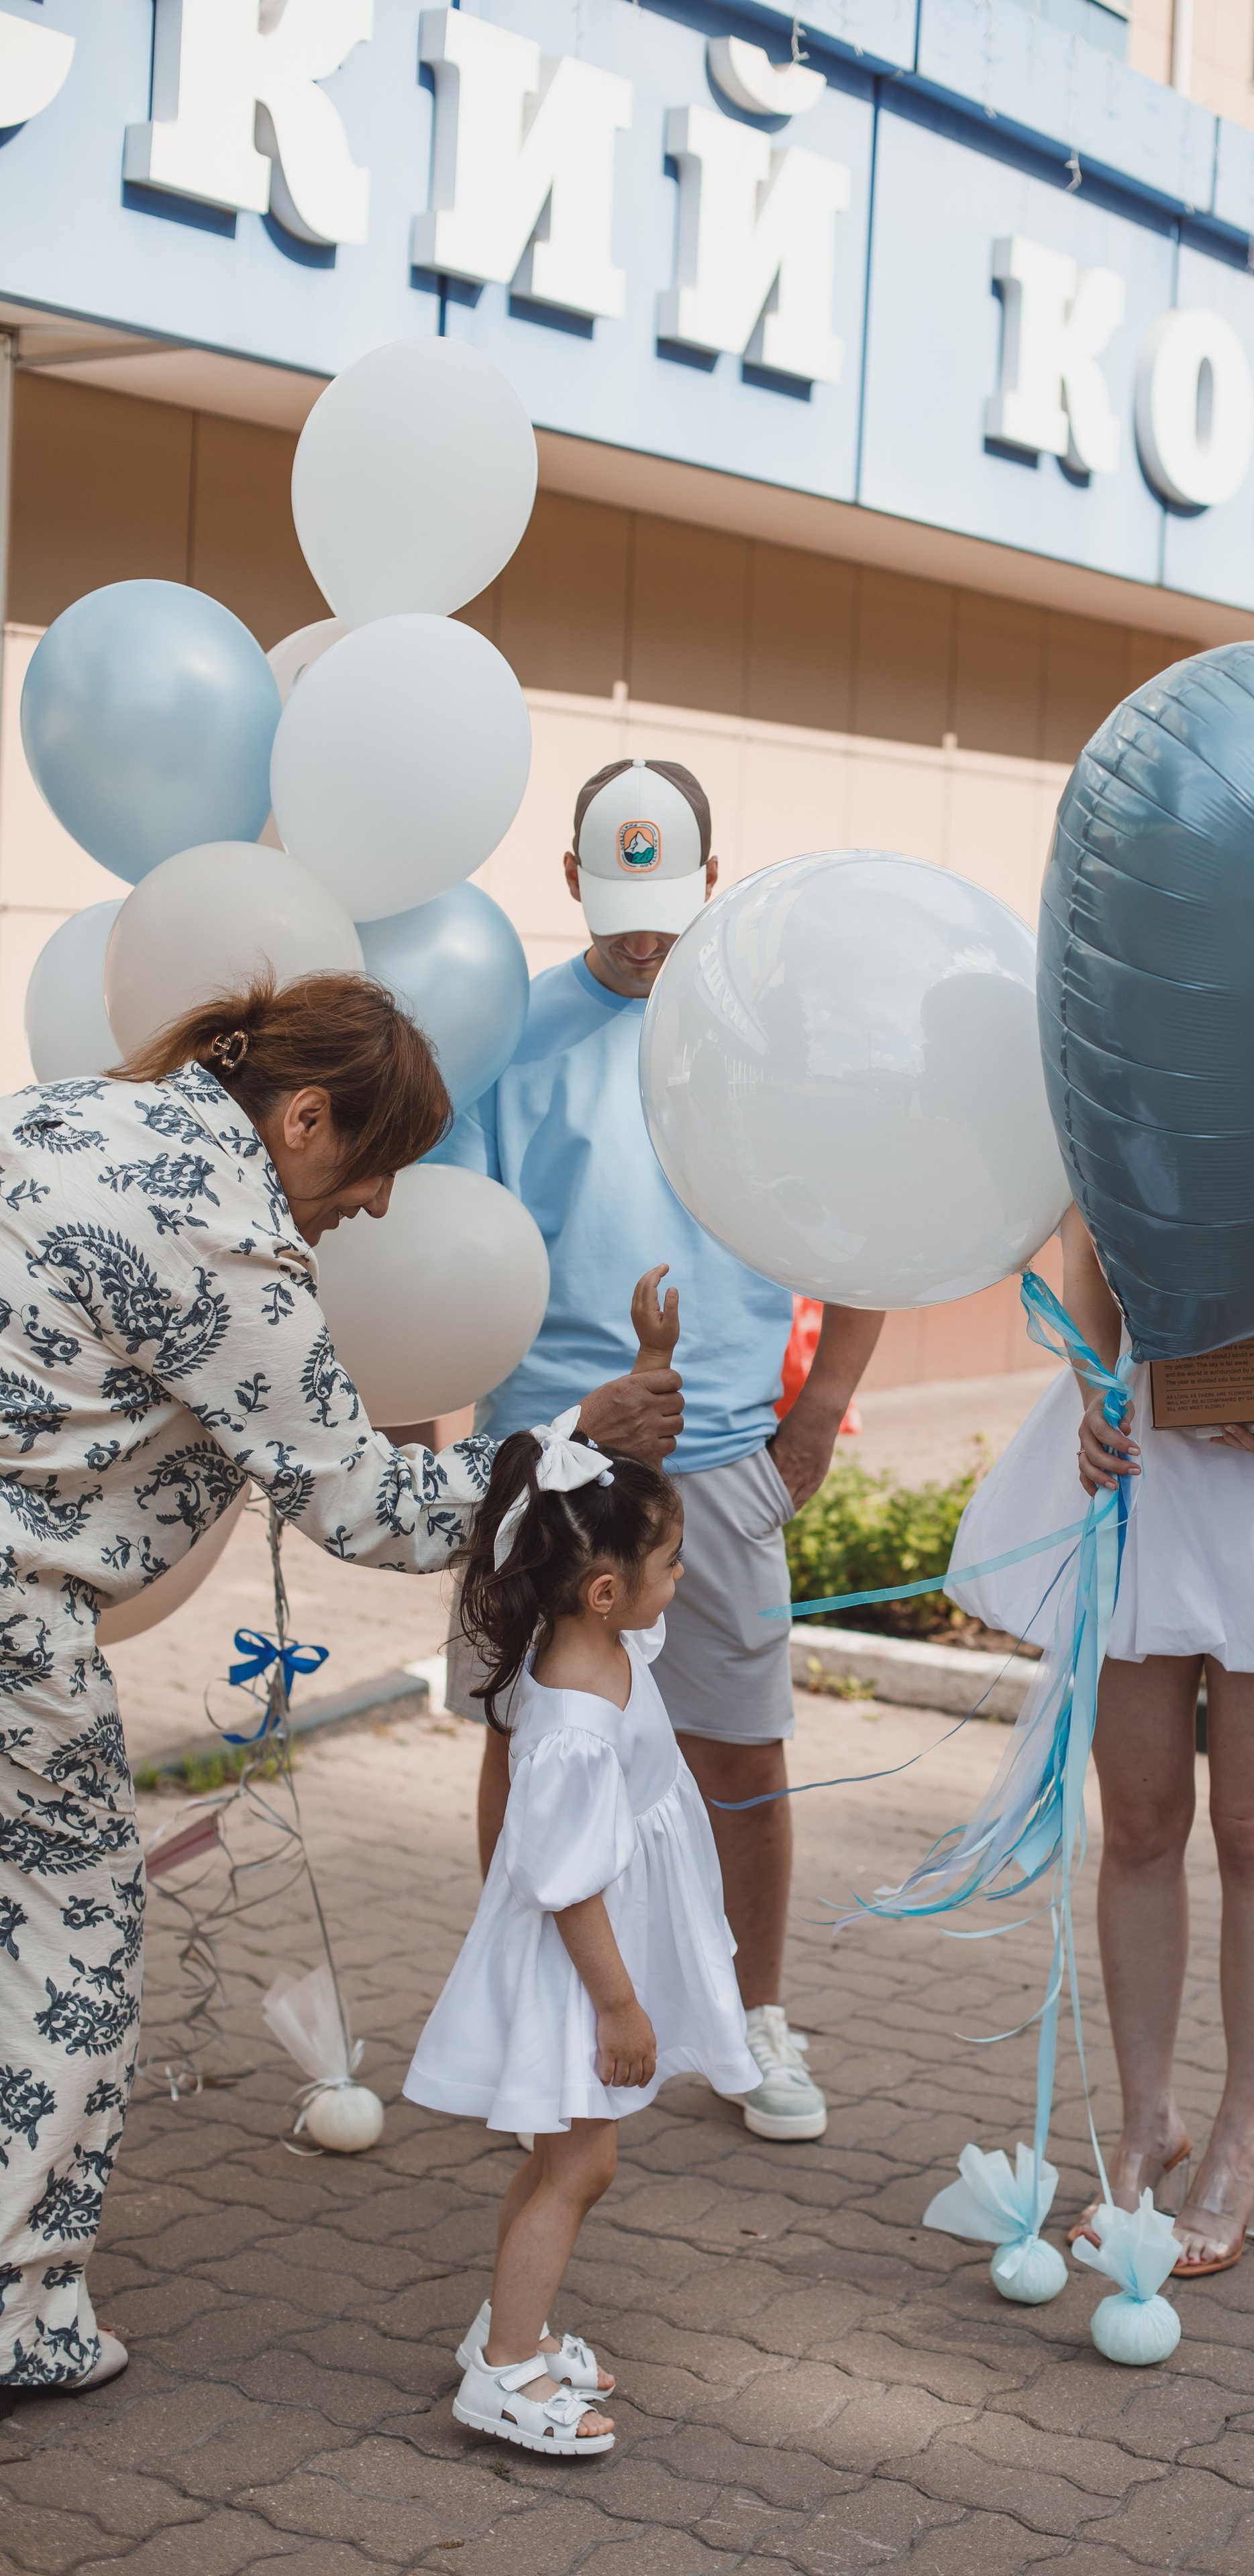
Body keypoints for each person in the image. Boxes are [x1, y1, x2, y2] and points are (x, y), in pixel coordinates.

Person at [0, 974, 681, 2394]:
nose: (369, 1208)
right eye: (370, 1172)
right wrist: (566, 1439)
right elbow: (372, 1506)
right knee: (65, 1943)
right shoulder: (224, 1239)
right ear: (303, 1116)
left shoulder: (70, 1115)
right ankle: (19, 2312)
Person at [435, 757, 882, 2143]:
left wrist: (815, 1414)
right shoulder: (503, 1035)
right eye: (618, 901)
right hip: (542, 1451)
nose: (643, 932)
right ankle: (524, 2011)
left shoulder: (762, 1038)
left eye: (666, 902)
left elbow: (867, 1224)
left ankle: (754, 2018)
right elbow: (439, 1254)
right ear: (570, 879)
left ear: (707, 878)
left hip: (726, 1453)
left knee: (737, 1754)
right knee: (526, 1737)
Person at [945, 1207, 1254, 2277]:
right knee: (1142, 1824)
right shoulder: (1142, 1062)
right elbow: (1087, 1243)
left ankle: (1244, 2141)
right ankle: (1144, 2124)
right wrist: (1089, 1395)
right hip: (1141, 1476)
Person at [403, 1383, 759, 2461]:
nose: (683, 1577)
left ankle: (505, 2333)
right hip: (579, 1970)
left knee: (563, 2157)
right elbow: (566, 1883)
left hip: (589, 1955)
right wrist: (619, 2005)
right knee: (580, 2166)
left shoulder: (601, 1645)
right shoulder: (569, 1726)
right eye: (672, 1565)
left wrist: (650, 1369)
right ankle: (506, 2375)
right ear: (607, 1590)